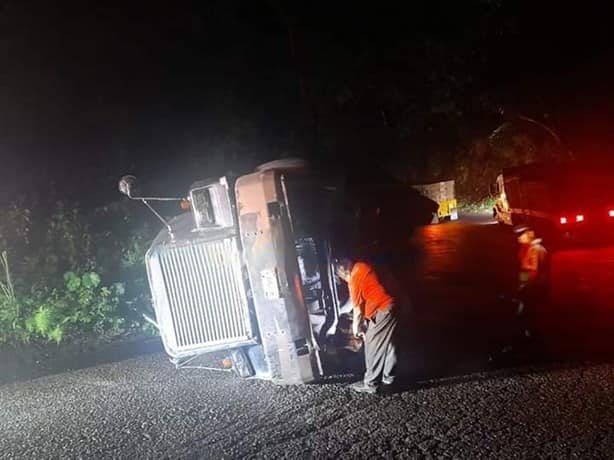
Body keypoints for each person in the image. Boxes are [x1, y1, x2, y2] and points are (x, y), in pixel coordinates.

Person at [336, 258, 400, 393]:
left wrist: (355, 329)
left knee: (372, 344)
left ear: (343, 273)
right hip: (393, 303)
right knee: (390, 342)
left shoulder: (354, 279)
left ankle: (371, 383)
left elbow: (358, 310)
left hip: (383, 308)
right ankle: (389, 377)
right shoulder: (361, 266)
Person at [514, 225, 549, 340]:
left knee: (533, 314)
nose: (518, 237)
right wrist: (522, 285)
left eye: (521, 234)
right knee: (524, 313)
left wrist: (525, 286)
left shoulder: (536, 249)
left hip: (536, 288)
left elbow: (534, 271)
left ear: (530, 234)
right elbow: (524, 269)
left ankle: (535, 337)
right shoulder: (526, 248)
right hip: (529, 287)